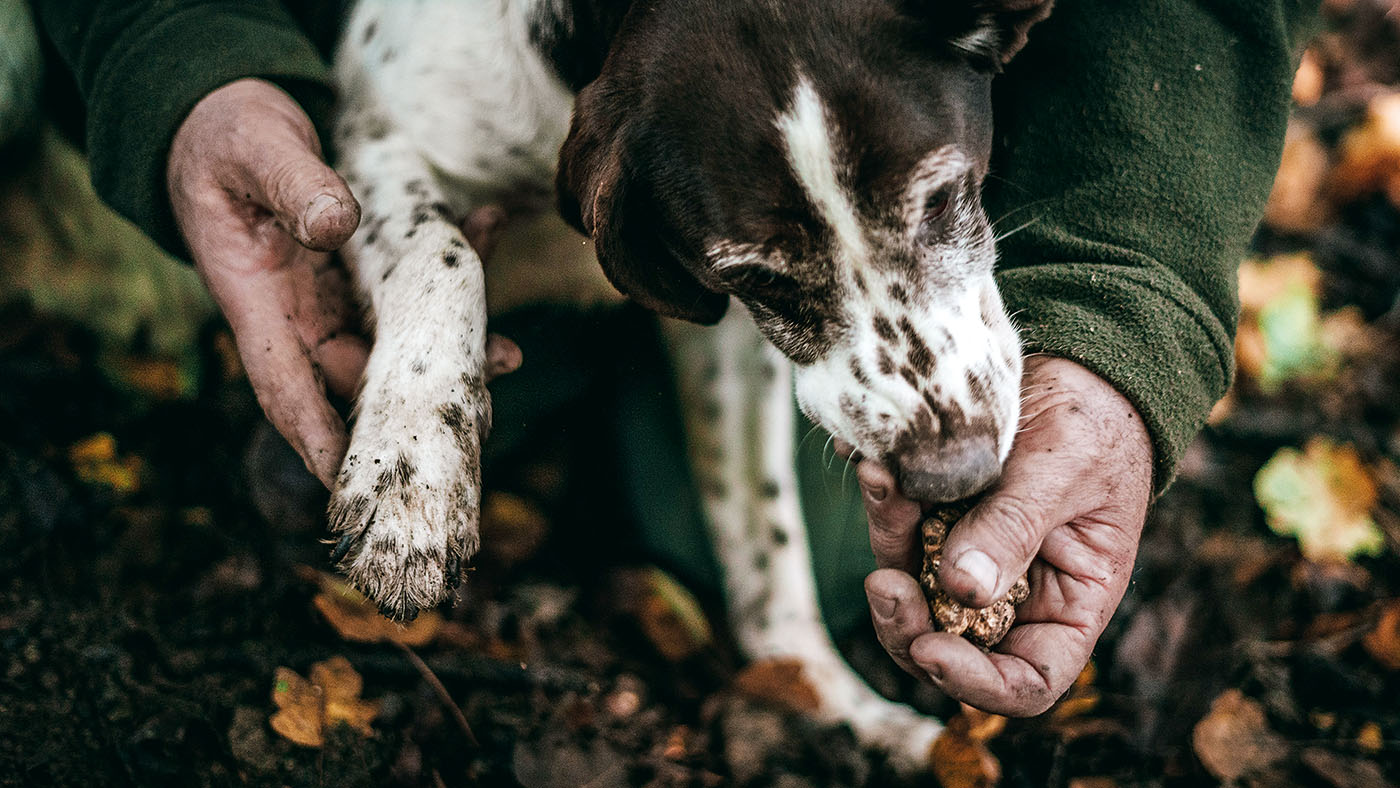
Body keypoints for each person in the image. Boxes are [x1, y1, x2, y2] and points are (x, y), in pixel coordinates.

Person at [31, 0, 1320, 716]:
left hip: (702, 200)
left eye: (940, 207)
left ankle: (653, 446)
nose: (946, 413)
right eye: (763, 272)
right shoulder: (484, 61)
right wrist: (181, 64)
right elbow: (389, 155)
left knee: (829, 575)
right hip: (451, 117)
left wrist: (1122, 310)